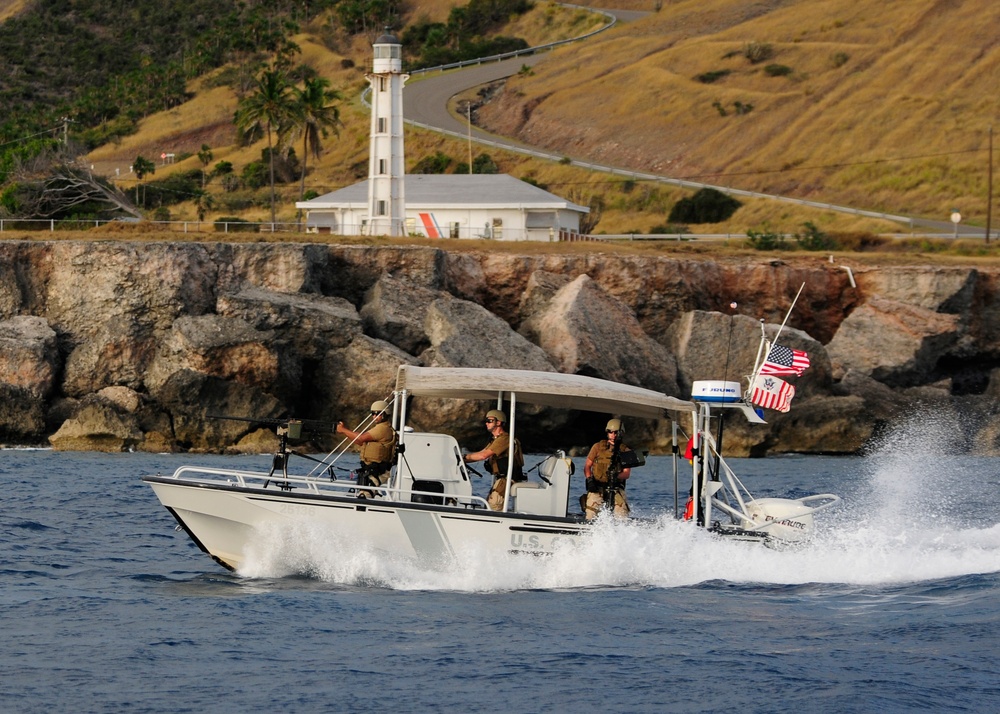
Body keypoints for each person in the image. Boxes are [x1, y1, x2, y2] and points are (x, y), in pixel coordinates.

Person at [463, 409, 524, 511]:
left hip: (507, 479)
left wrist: (463, 457)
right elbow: (481, 453)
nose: (486, 423)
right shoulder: (496, 439)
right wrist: (462, 459)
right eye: (486, 421)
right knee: (488, 506)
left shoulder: (504, 439)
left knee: (494, 506)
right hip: (501, 479)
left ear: (499, 422)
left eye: (490, 420)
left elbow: (483, 456)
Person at [336, 400, 397, 498]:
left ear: (385, 414)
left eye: (377, 413)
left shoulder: (382, 429)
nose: (374, 416)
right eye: (372, 413)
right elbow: (359, 439)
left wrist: (343, 430)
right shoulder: (384, 428)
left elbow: (360, 439)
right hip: (373, 470)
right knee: (363, 493)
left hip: (376, 471)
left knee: (364, 497)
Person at [583, 418, 633, 519]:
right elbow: (587, 466)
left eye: (616, 433)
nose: (613, 435)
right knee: (591, 514)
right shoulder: (597, 447)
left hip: (616, 487)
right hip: (597, 487)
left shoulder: (626, 451)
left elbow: (627, 473)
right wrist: (590, 480)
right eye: (610, 432)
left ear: (621, 433)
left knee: (622, 515)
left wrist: (616, 475)